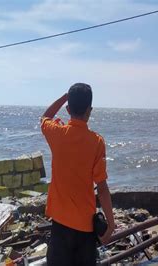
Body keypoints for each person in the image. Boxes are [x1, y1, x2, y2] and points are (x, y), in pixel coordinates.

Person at [41, 83, 115, 265]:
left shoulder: (57, 134)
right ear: (90, 110)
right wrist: (111, 224)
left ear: (67, 109)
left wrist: (63, 97)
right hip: (85, 228)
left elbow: (45, 116)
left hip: (59, 225)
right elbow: (102, 188)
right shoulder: (96, 142)